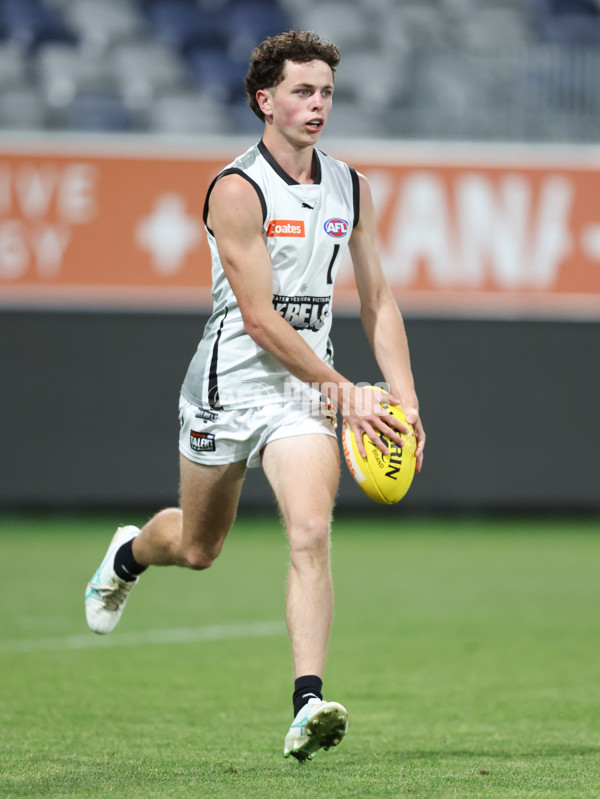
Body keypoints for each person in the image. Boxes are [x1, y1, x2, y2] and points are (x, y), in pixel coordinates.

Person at [85, 29, 425, 763]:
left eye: (327, 92)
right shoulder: (236, 190)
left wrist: (401, 398)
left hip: (305, 396)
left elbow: (379, 299)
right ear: (263, 99)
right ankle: (129, 555)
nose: (318, 105)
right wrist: (350, 393)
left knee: (310, 530)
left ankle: (307, 702)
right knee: (199, 547)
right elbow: (261, 322)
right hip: (228, 386)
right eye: (303, 91)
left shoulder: (351, 186)